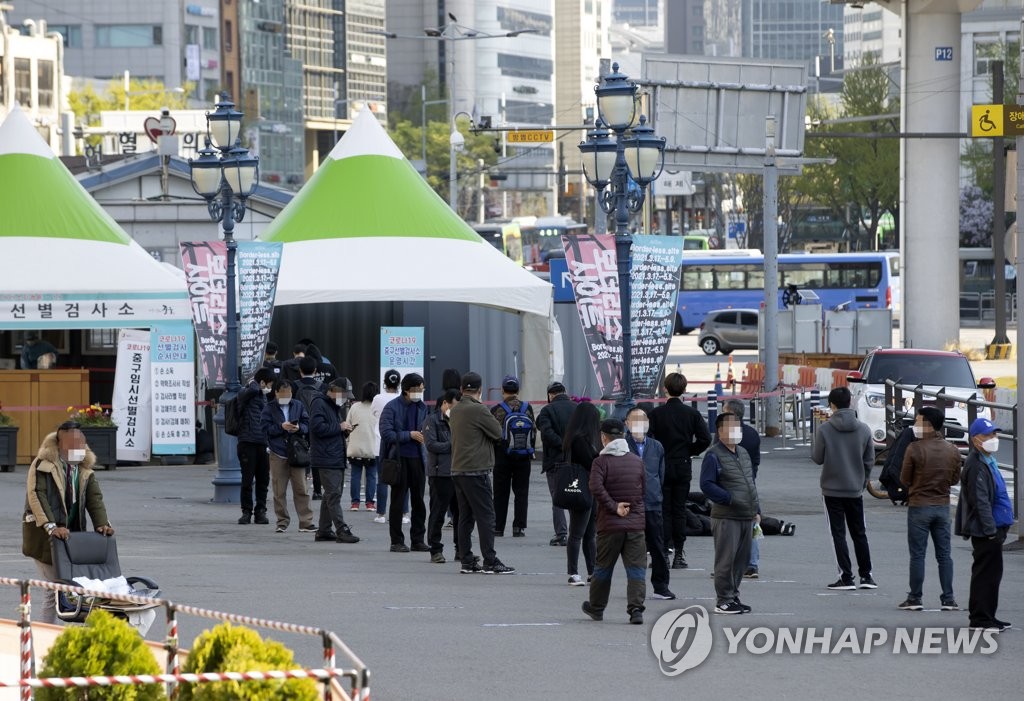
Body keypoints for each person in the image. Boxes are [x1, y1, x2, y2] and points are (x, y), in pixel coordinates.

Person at [22, 421, 114, 624]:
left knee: (78, 589)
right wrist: (51, 527)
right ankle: (44, 638)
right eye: (71, 443)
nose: (77, 448)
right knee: (53, 590)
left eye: (80, 442)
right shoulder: (42, 465)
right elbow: (36, 495)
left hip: (72, 538)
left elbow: (94, 499)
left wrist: (102, 523)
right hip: (45, 537)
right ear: (59, 443)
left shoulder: (84, 468)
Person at [810, 386, 876, 591]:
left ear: (832, 405)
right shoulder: (864, 429)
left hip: (831, 489)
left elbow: (817, 458)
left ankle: (846, 576)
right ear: (851, 403)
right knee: (859, 532)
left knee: (837, 533)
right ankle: (867, 576)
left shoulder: (825, 429)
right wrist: (862, 481)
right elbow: (870, 460)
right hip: (855, 489)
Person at [582, 418, 646, 625]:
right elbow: (644, 490)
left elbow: (595, 487)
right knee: (636, 569)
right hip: (635, 524)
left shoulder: (600, 462)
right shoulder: (636, 460)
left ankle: (597, 607)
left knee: (603, 567)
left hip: (610, 524)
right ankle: (636, 609)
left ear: (603, 437)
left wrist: (613, 506)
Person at [449, 372, 515, 574]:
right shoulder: (479, 410)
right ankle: (490, 560)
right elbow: (497, 432)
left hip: (458, 469)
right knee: (487, 516)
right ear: (479, 390)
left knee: (465, 517)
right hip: (476, 469)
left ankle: (466, 560)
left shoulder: (456, 409)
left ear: (461, 389)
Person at [897, 407, 961, 611]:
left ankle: (915, 598)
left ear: (928, 425)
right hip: (942, 506)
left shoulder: (914, 449)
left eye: (918, 421)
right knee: (944, 555)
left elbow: (904, 479)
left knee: (918, 554)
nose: (914, 425)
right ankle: (948, 598)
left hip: (919, 506)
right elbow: (955, 478)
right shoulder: (952, 449)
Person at [955, 418, 1014, 631]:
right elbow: (980, 501)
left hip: (995, 527)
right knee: (985, 575)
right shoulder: (977, 465)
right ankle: (980, 618)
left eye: (995, 435)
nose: (994, 439)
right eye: (989, 435)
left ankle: (989, 615)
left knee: (992, 575)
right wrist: (990, 531)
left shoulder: (988, 461)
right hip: (987, 530)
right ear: (976, 440)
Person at [649, 372, 712, 569]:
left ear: (665, 389)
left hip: (663, 465)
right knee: (679, 510)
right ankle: (679, 554)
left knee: (664, 510)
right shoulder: (692, 414)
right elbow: (705, 439)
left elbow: (649, 439)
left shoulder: (656, 414)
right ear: (684, 390)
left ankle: (663, 553)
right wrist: (689, 450)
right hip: (683, 464)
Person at [700, 413, 759, 615]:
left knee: (741, 561)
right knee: (726, 560)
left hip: (746, 514)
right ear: (720, 431)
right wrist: (729, 498)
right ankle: (723, 599)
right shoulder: (713, 454)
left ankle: (733, 595)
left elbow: (750, 483)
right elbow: (706, 484)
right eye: (730, 427)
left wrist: (756, 509)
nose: (736, 430)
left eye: (738, 426)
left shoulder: (742, 452)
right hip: (726, 516)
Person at [626, 407, 674, 600]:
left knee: (657, 546)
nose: (639, 424)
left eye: (642, 420)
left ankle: (661, 586)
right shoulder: (622, 445)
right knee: (631, 549)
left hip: (653, 502)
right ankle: (635, 586)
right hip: (629, 504)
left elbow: (660, 475)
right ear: (627, 424)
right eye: (634, 420)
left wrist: (654, 492)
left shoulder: (656, 446)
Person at [379, 373, 429, 553]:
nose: (421, 392)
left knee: (419, 502)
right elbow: (386, 434)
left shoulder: (422, 407)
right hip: (398, 459)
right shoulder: (392, 407)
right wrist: (409, 435)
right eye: (418, 389)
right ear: (408, 389)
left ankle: (418, 539)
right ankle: (396, 541)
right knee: (398, 501)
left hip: (418, 459)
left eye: (422, 388)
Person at [260, 378, 316, 534]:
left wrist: (298, 428)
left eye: (289, 392)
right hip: (278, 452)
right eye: (283, 393)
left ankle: (306, 522)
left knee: (301, 488)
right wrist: (281, 427)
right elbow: (264, 429)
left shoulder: (297, 405)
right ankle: (282, 521)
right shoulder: (269, 408)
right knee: (279, 491)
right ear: (276, 392)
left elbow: (307, 424)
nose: (286, 395)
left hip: (296, 451)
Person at [309, 378, 360, 544]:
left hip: (334, 454)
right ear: (333, 389)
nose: (345, 398)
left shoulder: (332, 406)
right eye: (343, 394)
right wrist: (339, 427)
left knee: (330, 495)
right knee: (333, 494)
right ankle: (341, 529)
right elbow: (317, 428)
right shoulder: (319, 403)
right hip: (326, 456)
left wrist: (344, 431)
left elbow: (328, 428)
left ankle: (324, 530)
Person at [721, 399, 763, 579]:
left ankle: (726, 564)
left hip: (729, 485)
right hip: (749, 484)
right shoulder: (752, 434)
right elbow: (756, 462)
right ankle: (752, 564)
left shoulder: (724, 434)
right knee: (751, 523)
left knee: (727, 526)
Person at [490, 375, 535, 538]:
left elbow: (492, 434)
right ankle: (519, 527)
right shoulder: (527, 408)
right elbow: (534, 431)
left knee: (501, 493)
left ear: (502, 390)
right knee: (521, 491)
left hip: (502, 456)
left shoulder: (496, 409)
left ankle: (498, 527)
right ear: (518, 390)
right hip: (523, 456)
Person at [562, 402, 601, 586]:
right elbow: (591, 462)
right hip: (582, 489)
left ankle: (592, 571)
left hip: (588, 489)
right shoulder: (580, 440)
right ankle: (573, 572)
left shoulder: (577, 437)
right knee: (578, 533)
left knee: (589, 533)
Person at [424, 389, 461, 563]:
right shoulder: (432, 421)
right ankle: (435, 549)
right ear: (445, 404)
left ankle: (461, 549)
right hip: (439, 473)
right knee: (438, 512)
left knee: (460, 513)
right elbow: (431, 445)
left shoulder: (459, 420)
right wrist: (453, 444)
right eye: (453, 406)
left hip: (459, 471)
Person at [536, 381, 575, 546]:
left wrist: (561, 444)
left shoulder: (547, 410)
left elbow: (546, 433)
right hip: (576, 459)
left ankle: (561, 534)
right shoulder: (576, 407)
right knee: (576, 495)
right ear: (565, 391)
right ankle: (578, 531)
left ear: (550, 395)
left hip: (555, 461)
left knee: (557, 498)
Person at [236, 367, 276, 525]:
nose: (270, 388)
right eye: (268, 384)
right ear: (261, 382)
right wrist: (254, 383)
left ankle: (261, 510)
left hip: (263, 443)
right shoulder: (246, 392)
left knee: (263, 479)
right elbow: (250, 391)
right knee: (247, 479)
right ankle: (246, 511)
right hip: (247, 442)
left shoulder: (265, 398)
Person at [371, 369, 404, 524]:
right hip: (399, 443)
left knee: (382, 479)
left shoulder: (378, 398)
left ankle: (381, 514)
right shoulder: (401, 398)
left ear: (385, 382)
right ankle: (404, 513)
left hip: (380, 443)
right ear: (399, 383)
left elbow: (374, 414)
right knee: (403, 479)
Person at [294, 356, 326, 499]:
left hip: (299, 425)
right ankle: (317, 491)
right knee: (317, 459)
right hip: (317, 425)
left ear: (300, 370)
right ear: (315, 370)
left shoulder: (293, 386)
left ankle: (301, 490)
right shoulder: (322, 387)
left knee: (299, 456)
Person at [346, 382, 379, 512]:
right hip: (373, 448)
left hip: (356, 448)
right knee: (371, 476)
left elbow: (348, 425)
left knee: (355, 475)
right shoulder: (377, 408)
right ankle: (370, 503)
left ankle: (355, 503)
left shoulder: (354, 407)